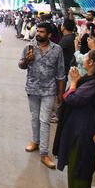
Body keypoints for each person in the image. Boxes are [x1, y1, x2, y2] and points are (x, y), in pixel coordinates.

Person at [52, 50, 95, 188]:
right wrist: (77, 81)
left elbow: (72, 99)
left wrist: (73, 83)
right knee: (74, 167)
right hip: (78, 130)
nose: (84, 58)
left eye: (86, 56)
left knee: (80, 168)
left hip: (84, 133)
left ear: (91, 62)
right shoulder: (90, 78)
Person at [19, 22, 66, 169]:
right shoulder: (29, 47)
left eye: (41, 32)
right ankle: (35, 141)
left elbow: (60, 72)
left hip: (49, 90)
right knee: (34, 117)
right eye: (37, 31)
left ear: (49, 35)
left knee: (44, 120)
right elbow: (21, 65)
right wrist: (27, 60)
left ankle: (44, 153)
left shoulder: (57, 49)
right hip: (32, 88)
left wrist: (60, 93)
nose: (38, 33)